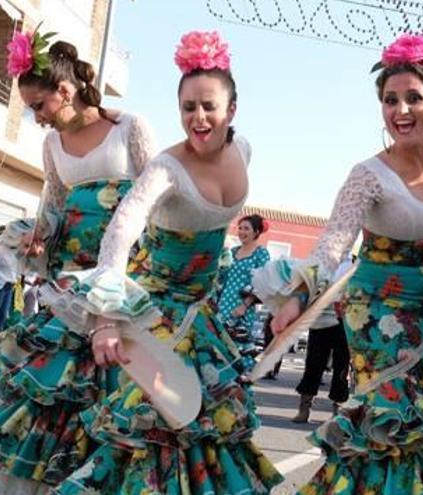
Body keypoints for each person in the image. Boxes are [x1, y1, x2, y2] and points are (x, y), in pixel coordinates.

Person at [53, 30, 282, 494]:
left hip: (201, 312)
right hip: (153, 314)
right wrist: (105, 320)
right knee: (151, 430)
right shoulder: (166, 167)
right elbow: (121, 230)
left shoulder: (245, 151)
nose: (198, 117)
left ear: (231, 110)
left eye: (208, 106)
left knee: (204, 428)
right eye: (188, 107)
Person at [260, 34, 423, 494]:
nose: (401, 110)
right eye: (390, 100)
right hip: (378, 317)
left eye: (413, 98)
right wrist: (297, 298)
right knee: (391, 425)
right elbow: (331, 248)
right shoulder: (368, 174)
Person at [0, 27, 155, 494]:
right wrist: (37, 238)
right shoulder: (50, 146)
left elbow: (155, 198)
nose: (36, 117)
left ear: (65, 91)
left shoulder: (130, 127)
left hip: (123, 278)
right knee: (61, 384)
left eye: (39, 105)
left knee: (117, 381)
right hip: (68, 281)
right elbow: (53, 203)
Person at [291, 253, 352, 423]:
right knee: (313, 363)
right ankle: (304, 408)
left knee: (342, 365)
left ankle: (338, 408)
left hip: (345, 321)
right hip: (320, 319)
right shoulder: (321, 262)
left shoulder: (354, 263)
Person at [215, 214, 270, 364]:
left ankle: (238, 383)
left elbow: (263, 282)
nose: (241, 232)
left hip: (243, 307)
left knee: (239, 346)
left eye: (246, 228)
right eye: (240, 228)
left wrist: (244, 305)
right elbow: (221, 277)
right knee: (218, 345)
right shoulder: (232, 252)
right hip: (223, 304)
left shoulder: (261, 253)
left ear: (256, 232)